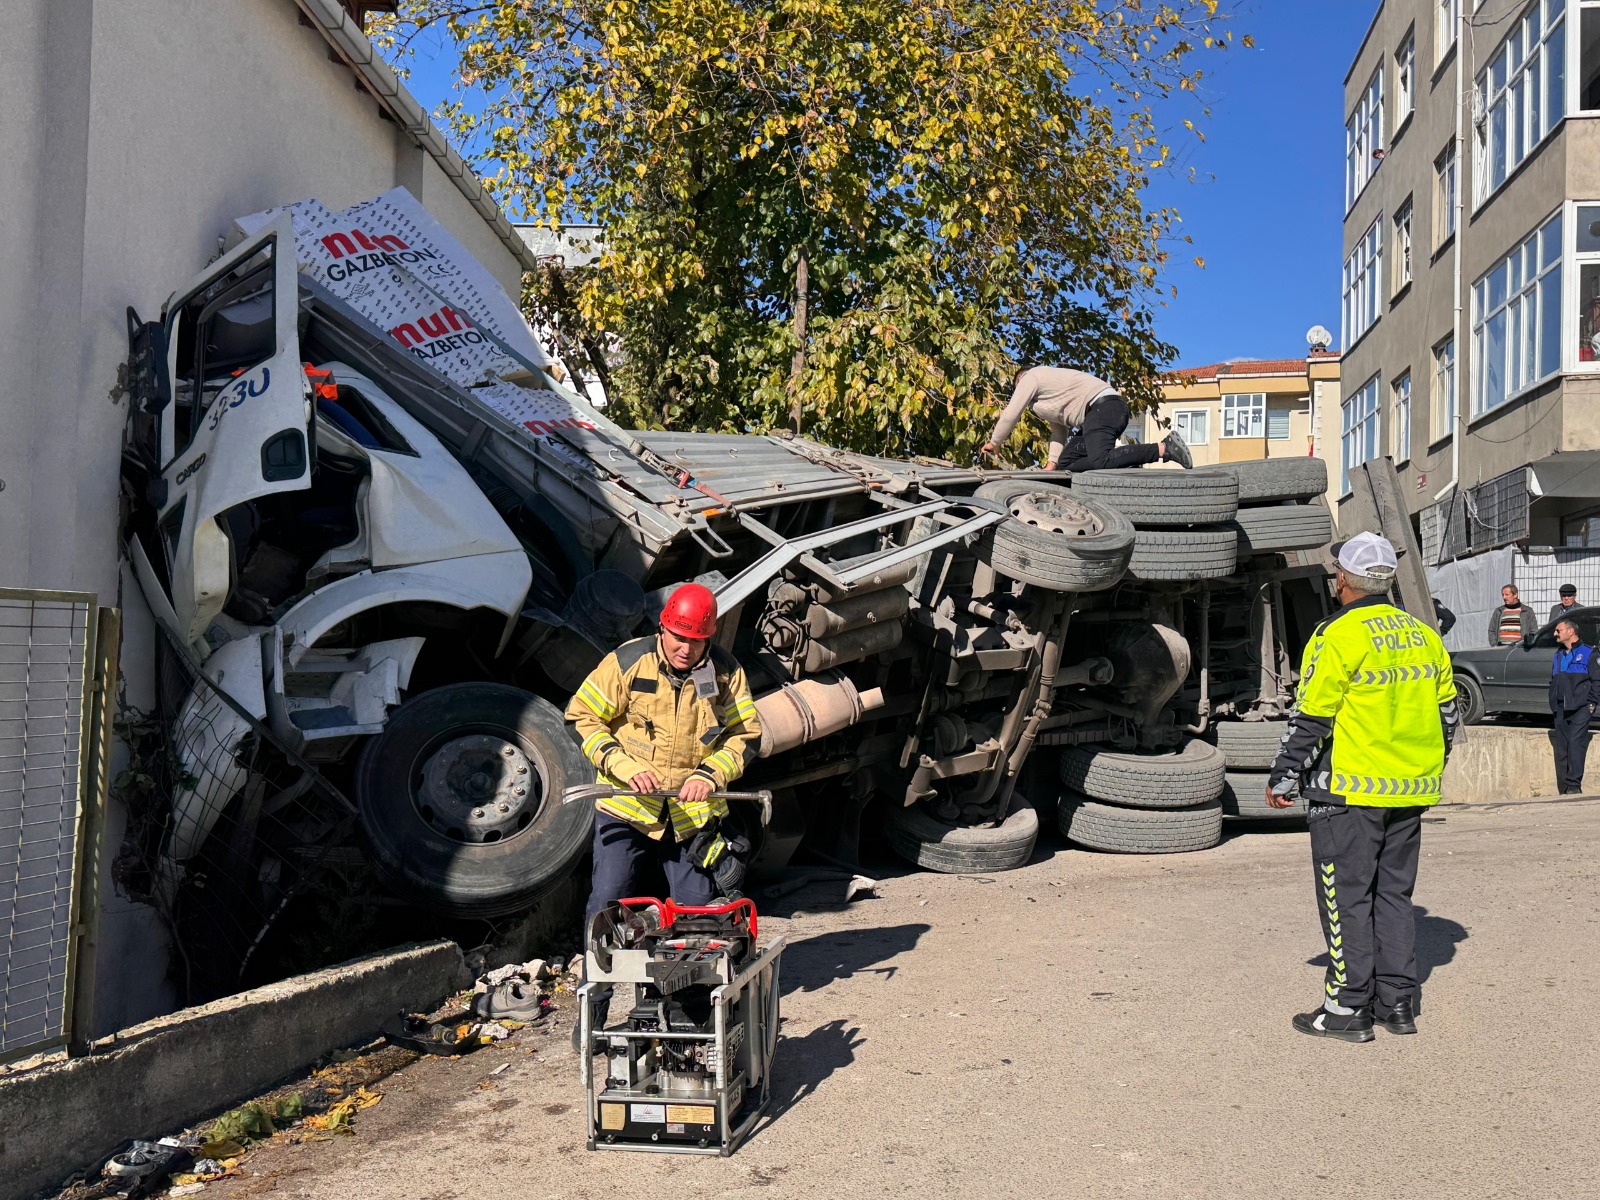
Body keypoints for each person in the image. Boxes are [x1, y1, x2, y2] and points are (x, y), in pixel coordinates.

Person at [1265, 532, 1459, 1043]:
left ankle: (1347, 1009)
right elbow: (1448, 716)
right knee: (1394, 894)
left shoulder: (1337, 635)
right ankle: (1397, 1005)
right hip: (1410, 790)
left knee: (1346, 898)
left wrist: (1285, 772)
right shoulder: (1424, 635)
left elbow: (1313, 715)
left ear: (1344, 581)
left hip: (1348, 792)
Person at [564, 582, 762, 1047]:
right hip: (627, 810)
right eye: (677, 636)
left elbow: (747, 734)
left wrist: (712, 774)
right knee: (608, 911)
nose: (683, 647)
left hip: (690, 819)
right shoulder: (627, 661)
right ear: (663, 628)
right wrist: (623, 765)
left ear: (707, 640)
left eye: (694, 640)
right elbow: (581, 716)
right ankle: (593, 1011)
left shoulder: (727, 673)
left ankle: (684, 1018)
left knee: (694, 919)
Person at [980, 365, 1192, 472]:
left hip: (1104, 408)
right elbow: (1059, 429)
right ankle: (1125, 463)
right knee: (1067, 463)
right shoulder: (1050, 393)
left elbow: (1011, 414)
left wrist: (995, 443)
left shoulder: (1031, 376)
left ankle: (1165, 448)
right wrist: (1052, 463)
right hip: (1099, 415)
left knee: (1101, 459)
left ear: (1020, 379)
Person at [1549, 618, 1599, 795]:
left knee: (1575, 744)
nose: (1555, 633)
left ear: (1570, 632)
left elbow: (1597, 681)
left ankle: (1574, 786)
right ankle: (1564, 788)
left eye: (1558, 630)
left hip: (1581, 707)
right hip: (1561, 707)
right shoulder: (1558, 655)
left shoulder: (1589, 653)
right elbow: (1553, 680)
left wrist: (1591, 704)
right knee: (1562, 748)